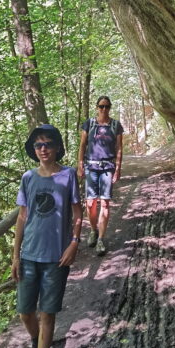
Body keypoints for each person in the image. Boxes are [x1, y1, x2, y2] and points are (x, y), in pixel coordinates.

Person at [12, 124, 82, 348]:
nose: (43, 149)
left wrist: (75, 242)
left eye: (48, 144)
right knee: (25, 313)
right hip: (29, 255)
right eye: (38, 145)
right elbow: (21, 217)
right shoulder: (28, 178)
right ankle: (38, 342)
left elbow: (77, 212)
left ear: (56, 147)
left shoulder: (68, 176)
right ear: (34, 150)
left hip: (56, 258)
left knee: (47, 314)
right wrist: (15, 255)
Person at [77, 96, 123, 256]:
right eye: (101, 106)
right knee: (90, 203)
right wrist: (80, 164)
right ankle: (93, 230)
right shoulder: (89, 124)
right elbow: (83, 145)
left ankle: (101, 239)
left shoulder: (116, 125)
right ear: (97, 107)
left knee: (105, 204)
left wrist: (118, 168)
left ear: (110, 108)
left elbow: (119, 148)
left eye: (107, 107)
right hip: (91, 166)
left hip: (107, 167)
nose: (104, 109)